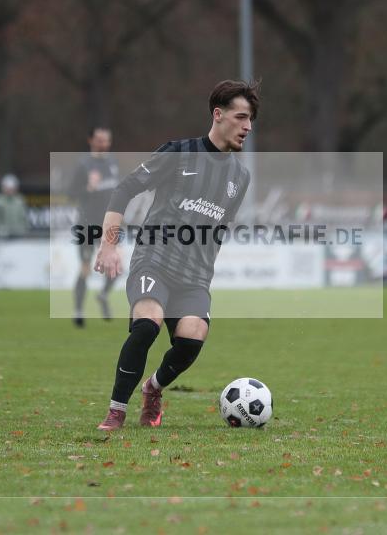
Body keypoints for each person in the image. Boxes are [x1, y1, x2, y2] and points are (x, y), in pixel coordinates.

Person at [94, 79, 258, 430]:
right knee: (147, 325)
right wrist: (109, 244)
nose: (248, 127)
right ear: (218, 115)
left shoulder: (240, 177)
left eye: (251, 120)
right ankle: (116, 410)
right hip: (154, 260)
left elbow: (218, 229)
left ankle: (153, 388)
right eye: (241, 117)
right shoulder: (179, 153)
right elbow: (124, 190)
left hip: (194, 275)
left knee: (192, 337)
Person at [68, 127, 120, 327]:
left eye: (106, 140)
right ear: (90, 140)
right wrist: (88, 188)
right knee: (85, 268)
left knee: (116, 266)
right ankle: (78, 311)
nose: (103, 143)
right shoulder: (83, 165)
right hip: (87, 225)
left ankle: (103, 295)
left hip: (108, 225)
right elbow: (71, 194)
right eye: (99, 139)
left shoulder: (113, 163)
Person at [0, 174, 28, 239]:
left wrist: (24, 231)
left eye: (12, 188)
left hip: (19, 235)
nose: (10, 190)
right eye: (7, 188)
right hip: (1, 236)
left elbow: (24, 218)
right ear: (3, 188)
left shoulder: (20, 201)